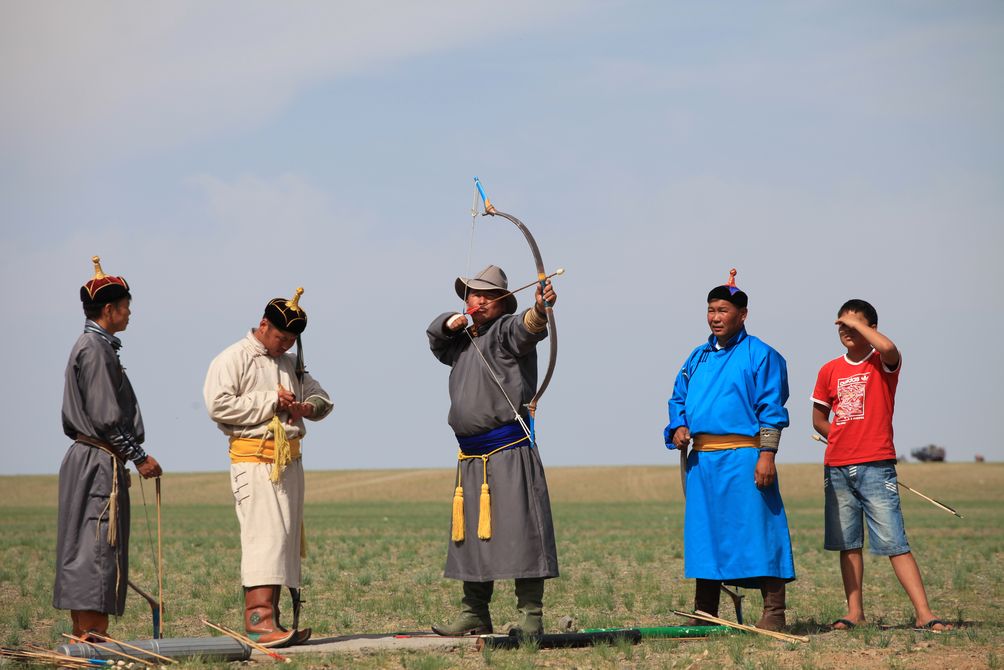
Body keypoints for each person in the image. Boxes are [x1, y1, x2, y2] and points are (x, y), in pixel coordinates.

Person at [427, 265, 559, 636]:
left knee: (522, 532)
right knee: (470, 535)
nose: (479, 300)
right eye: (473, 294)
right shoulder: (462, 340)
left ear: (503, 302)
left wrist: (540, 308)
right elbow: (435, 337)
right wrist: (451, 322)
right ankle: (475, 612)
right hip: (471, 458)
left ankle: (530, 618)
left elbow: (528, 328)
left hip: (509, 449)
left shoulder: (504, 331)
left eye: (488, 296)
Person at [664, 269, 795, 631]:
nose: (715, 317)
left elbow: (772, 408)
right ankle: (705, 611)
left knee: (759, 531)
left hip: (745, 457)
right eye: (710, 310)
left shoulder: (762, 355)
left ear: (742, 314)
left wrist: (767, 454)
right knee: (706, 535)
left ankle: (774, 613)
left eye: (723, 310)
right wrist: (678, 426)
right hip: (702, 462)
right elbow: (678, 397)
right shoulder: (697, 357)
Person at [811, 299, 953, 632]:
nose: (846, 331)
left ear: (870, 328)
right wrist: (841, 437)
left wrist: (859, 325)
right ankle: (854, 612)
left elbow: (889, 347)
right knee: (848, 542)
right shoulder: (829, 370)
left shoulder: (883, 362)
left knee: (894, 541)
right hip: (837, 466)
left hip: (876, 465)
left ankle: (924, 613)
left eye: (854, 325)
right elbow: (818, 419)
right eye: (842, 326)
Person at [204, 288, 333, 647]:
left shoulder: (291, 363)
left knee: (284, 540)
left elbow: (324, 400)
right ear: (263, 325)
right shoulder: (232, 358)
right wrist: (270, 400)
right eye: (281, 337)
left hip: (289, 461)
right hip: (254, 460)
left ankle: (273, 622)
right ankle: (258, 622)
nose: (285, 344)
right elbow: (218, 406)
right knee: (265, 539)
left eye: (292, 339)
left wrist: (306, 408)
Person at [54, 256, 163, 640]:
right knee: (97, 548)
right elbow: (104, 418)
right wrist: (139, 457)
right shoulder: (96, 349)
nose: (130, 313)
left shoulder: (94, 345)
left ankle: (85, 637)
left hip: (90, 459)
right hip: (98, 460)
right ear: (109, 310)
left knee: (88, 545)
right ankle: (91, 640)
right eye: (126, 306)